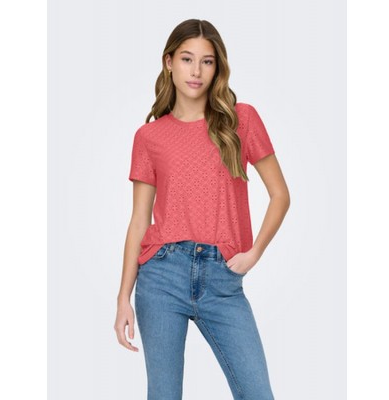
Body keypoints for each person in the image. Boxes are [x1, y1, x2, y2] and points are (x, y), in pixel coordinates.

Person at [114, 18, 290, 400]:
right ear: (169, 62)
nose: (196, 71)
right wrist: (123, 297)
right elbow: (139, 220)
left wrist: (254, 252)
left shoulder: (241, 120)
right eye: (187, 59)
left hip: (223, 279)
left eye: (207, 61)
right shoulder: (149, 137)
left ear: (217, 67)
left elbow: (280, 195)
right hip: (161, 277)